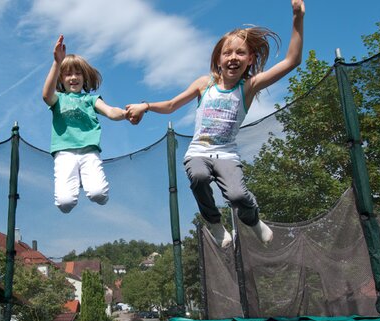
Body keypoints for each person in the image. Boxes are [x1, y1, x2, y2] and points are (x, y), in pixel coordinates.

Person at [126, 0, 305, 247]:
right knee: (198, 177)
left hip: (227, 155)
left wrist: (297, 19)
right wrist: (145, 106)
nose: (233, 58)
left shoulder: (249, 87)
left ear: (250, 59)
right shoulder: (205, 84)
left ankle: (252, 220)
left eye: (240, 53)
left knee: (238, 195)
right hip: (198, 151)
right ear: (218, 59)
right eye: (227, 53)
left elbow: (292, 61)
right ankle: (214, 222)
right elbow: (171, 105)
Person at [43, 34, 127, 213]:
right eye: (67, 74)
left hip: (89, 152)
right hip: (64, 152)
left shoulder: (90, 99)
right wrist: (57, 63)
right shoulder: (58, 99)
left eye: (77, 73)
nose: (73, 77)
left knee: (98, 194)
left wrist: (125, 114)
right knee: (65, 204)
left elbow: (111, 111)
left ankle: (86, 178)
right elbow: (46, 95)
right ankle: (76, 178)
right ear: (61, 79)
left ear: (84, 76)